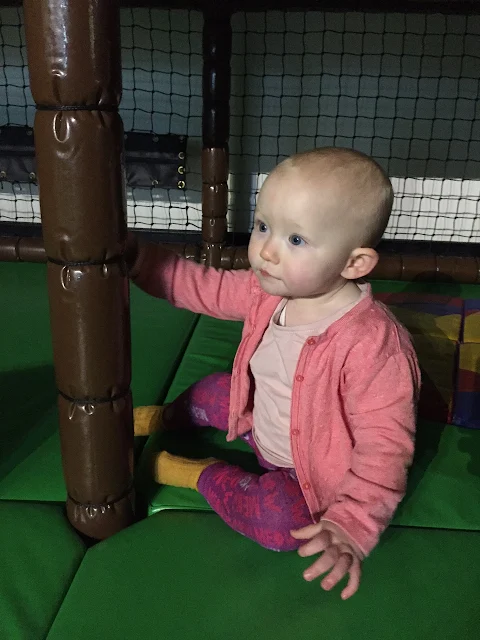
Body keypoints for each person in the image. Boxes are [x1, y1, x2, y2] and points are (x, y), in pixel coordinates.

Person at [129, 147, 420, 600]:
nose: (266, 250)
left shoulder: (373, 345)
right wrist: (140, 261)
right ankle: (165, 419)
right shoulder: (270, 290)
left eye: (296, 240)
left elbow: (385, 447)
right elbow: (204, 288)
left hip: (307, 473)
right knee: (213, 393)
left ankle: (196, 473)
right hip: (256, 418)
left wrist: (351, 523)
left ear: (353, 264)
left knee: (282, 525)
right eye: (264, 226)